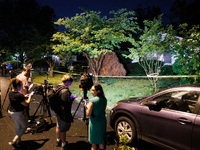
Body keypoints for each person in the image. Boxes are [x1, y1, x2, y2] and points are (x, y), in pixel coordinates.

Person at [8, 78, 34, 148]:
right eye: (21, 86)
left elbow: (18, 100)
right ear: (18, 86)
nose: (22, 87)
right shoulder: (19, 95)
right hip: (18, 113)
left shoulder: (11, 92)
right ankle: (14, 140)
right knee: (25, 126)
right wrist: (30, 96)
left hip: (11, 111)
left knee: (18, 126)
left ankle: (19, 141)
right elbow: (26, 104)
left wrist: (24, 96)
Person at [55, 74, 74, 150]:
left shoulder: (58, 86)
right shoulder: (65, 90)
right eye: (70, 82)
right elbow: (66, 103)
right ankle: (63, 144)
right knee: (63, 129)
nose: (70, 84)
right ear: (67, 81)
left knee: (58, 126)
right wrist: (71, 99)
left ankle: (58, 140)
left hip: (57, 110)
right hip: (63, 112)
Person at [86, 84, 107, 150]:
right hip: (102, 122)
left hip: (94, 123)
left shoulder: (92, 101)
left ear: (98, 91)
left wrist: (86, 107)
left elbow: (89, 113)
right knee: (101, 141)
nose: (91, 92)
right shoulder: (104, 99)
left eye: (93, 90)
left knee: (94, 142)